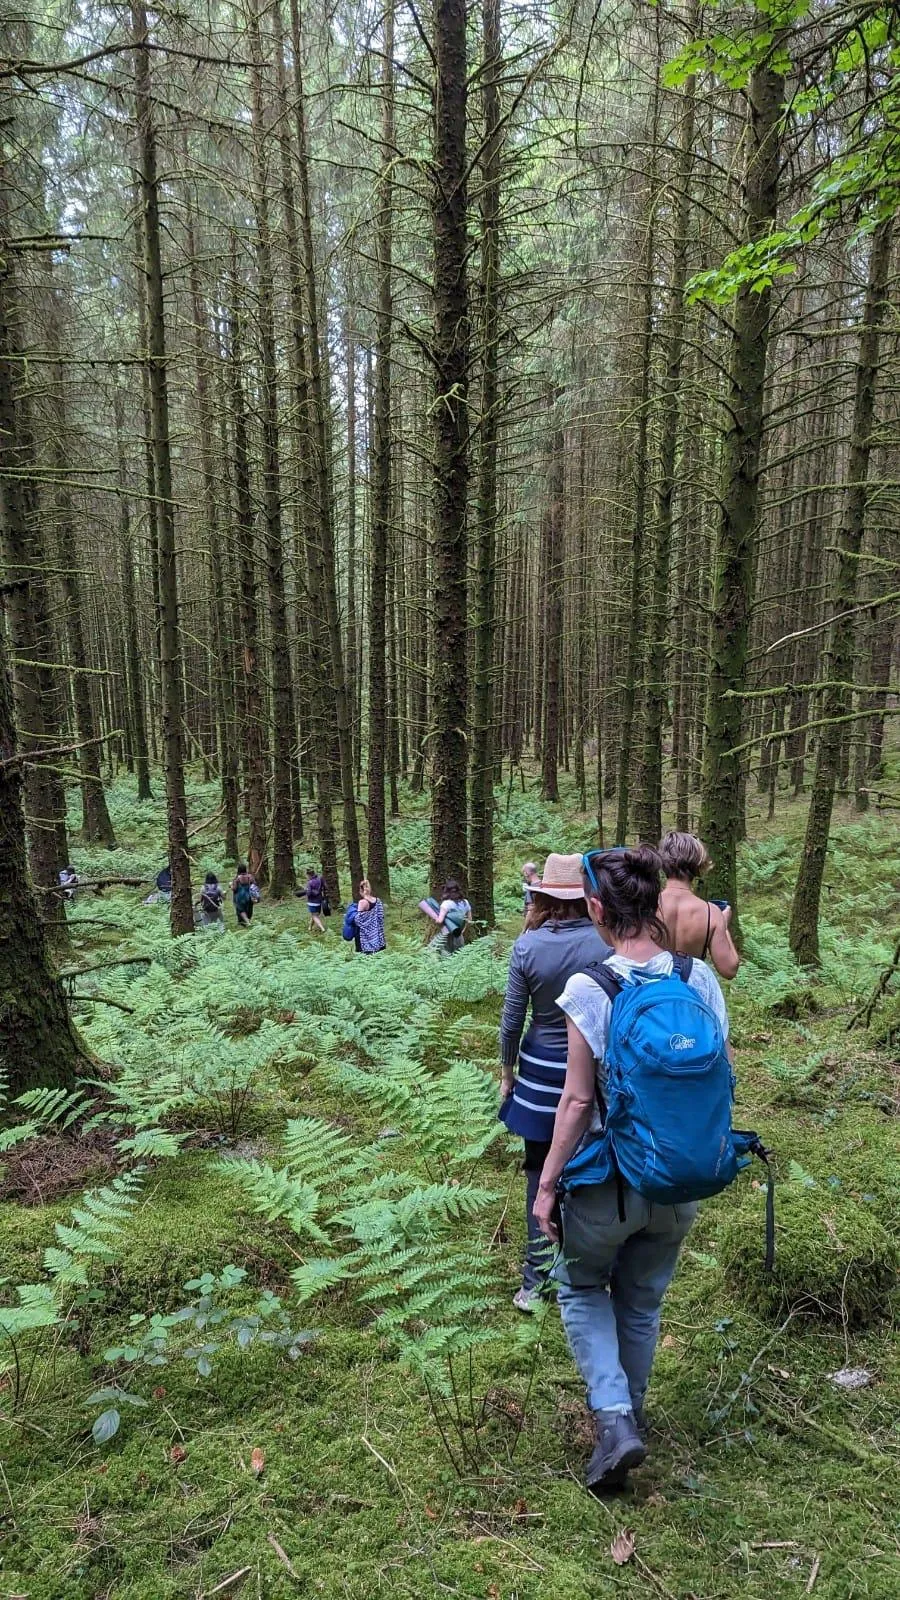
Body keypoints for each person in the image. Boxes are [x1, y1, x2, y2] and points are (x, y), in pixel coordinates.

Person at [533, 845, 731, 1494]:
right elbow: (722, 1075)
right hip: (678, 1179)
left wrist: (546, 1185)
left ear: (596, 909)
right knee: (642, 1301)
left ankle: (615, 1420)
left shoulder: (590, 989)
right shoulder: (697, 980)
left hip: (607, 1186)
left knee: (581, 1285)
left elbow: (576, 1101)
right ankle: (631, 1416)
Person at [499, 853, 612, 1313]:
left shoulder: (528, 947)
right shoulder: (606, 943)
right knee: (591, 1173)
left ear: (544, 896)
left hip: (540, 1077)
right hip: (595, 1076)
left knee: (539, 1173)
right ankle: (589, 1275)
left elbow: (512, 1021)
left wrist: (507, 1072)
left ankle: (536, 1281)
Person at [658, 831, 740, 980]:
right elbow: (729, 969)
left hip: (649, 990)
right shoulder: (711, 913)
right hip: (692, 990)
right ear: (698, 864)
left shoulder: (645, 905)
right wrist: (723, 925)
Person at [428, 879, 472, 955]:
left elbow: (440, 921)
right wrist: (463, 930)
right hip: (459, 933)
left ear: (446, 891)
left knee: (445, 954)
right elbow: (470, 919)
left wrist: (434, 916)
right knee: (459, 954)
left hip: (446, 934)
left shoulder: (446, 904)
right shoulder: (465, 902)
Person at [355, 878, 386, 954]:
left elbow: (358, 920)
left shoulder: (362, 902)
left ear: (361, 890)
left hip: (364, 936)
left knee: (364, 956)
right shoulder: (378, 901)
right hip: (377, 936)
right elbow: (381, 917)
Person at [231, 863, 257, 928]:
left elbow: (234, 889)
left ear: (238, 870)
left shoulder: (237, 878)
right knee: (249, 908)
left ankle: (247, 922)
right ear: (245, 869)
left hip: (240, 896)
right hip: (249, 895)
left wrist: (231, 886)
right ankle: (248, 920)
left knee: (241, 910)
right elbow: (254, 884)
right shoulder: (250, 877)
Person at [303, 866, 327, 934]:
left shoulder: (310, 882)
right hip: (319, 901)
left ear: (308, 875)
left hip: (311, 902)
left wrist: (306, 890)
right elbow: (325, 887)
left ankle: (322, 928)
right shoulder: (320, 879)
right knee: (314, 915)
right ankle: (310, 927)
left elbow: (309, 893)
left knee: (314, 916)